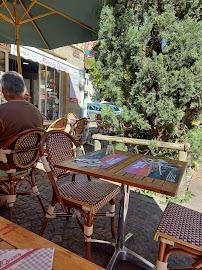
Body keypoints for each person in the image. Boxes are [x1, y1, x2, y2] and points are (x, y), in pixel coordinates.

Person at [0, 71, 43, 170]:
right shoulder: (37, 112)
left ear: (2, 90)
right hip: (28, 164)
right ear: (23, 90)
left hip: (5, 166)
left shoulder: (2, 111)